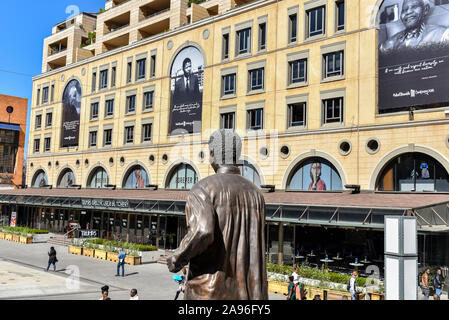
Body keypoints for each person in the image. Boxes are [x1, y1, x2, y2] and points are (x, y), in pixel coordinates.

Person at [167, 129, 268, 300]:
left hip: (209, 292)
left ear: (213, 154)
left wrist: (177, 258)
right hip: (249, 295)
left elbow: (203, 231)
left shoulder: (203, 188)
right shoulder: (256, 194)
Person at [380, 0, 449, 53]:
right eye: (404, 10)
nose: (408, 12)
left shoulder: (442, 34)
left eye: (414, 6)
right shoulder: (390, 43)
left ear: (425, 9)